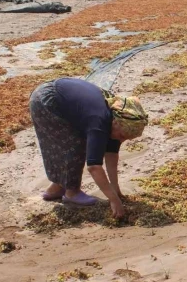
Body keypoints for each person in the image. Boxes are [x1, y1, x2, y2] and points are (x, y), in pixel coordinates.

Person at [29, 77, 148, 219]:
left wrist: (115, 190)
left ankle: (56, 188)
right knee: (74, 145)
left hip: (58, 97)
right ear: (117, 123)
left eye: (126, 138)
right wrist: (113, 200)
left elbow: (111, 155)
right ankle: (71, 193)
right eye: (122, 135)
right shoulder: (100, 121)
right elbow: (94, 166)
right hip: (46, 101)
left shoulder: (116, 116)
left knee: (71, 144)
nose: (121, 140)